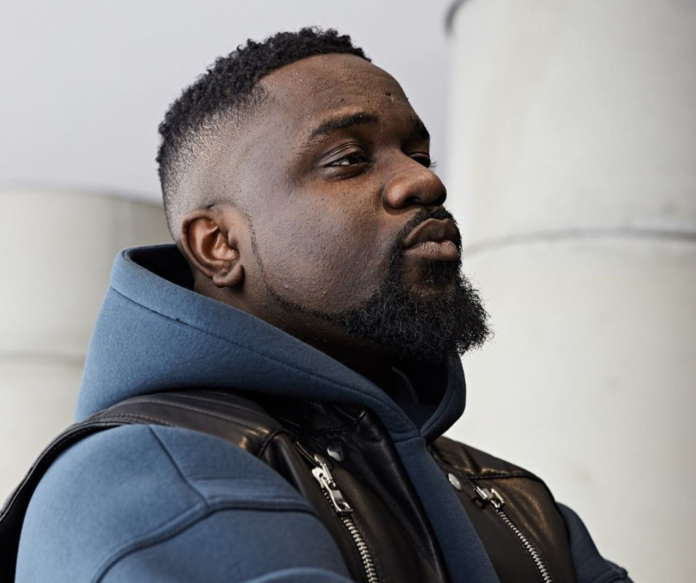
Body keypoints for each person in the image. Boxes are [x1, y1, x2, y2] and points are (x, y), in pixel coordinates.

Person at [15, 28, 631, 583]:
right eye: (349, 160)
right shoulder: (152, 471)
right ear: (219, 245)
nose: (426, 182)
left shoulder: (517, 504)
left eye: (419, 155)